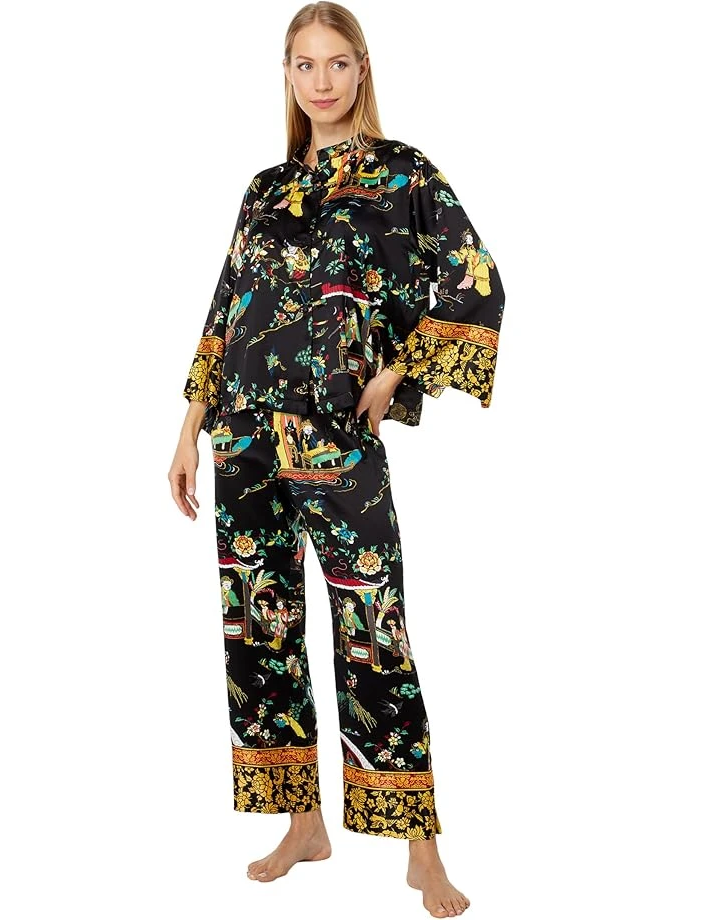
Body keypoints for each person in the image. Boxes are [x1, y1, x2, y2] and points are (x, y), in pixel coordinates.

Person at [168, 3, 505, 917]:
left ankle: (422, 852)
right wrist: (189, 428)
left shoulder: (403, 174)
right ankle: (303, 824)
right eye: (304, 64)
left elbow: (475, 278)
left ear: (362, 69)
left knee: (374, 629)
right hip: (242, 437)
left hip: (334, 437)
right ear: (287, 74)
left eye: (337, 63)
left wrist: (397, 371)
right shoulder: (264, 188)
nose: (321, 81)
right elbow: (227, 306)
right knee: (260, 631)